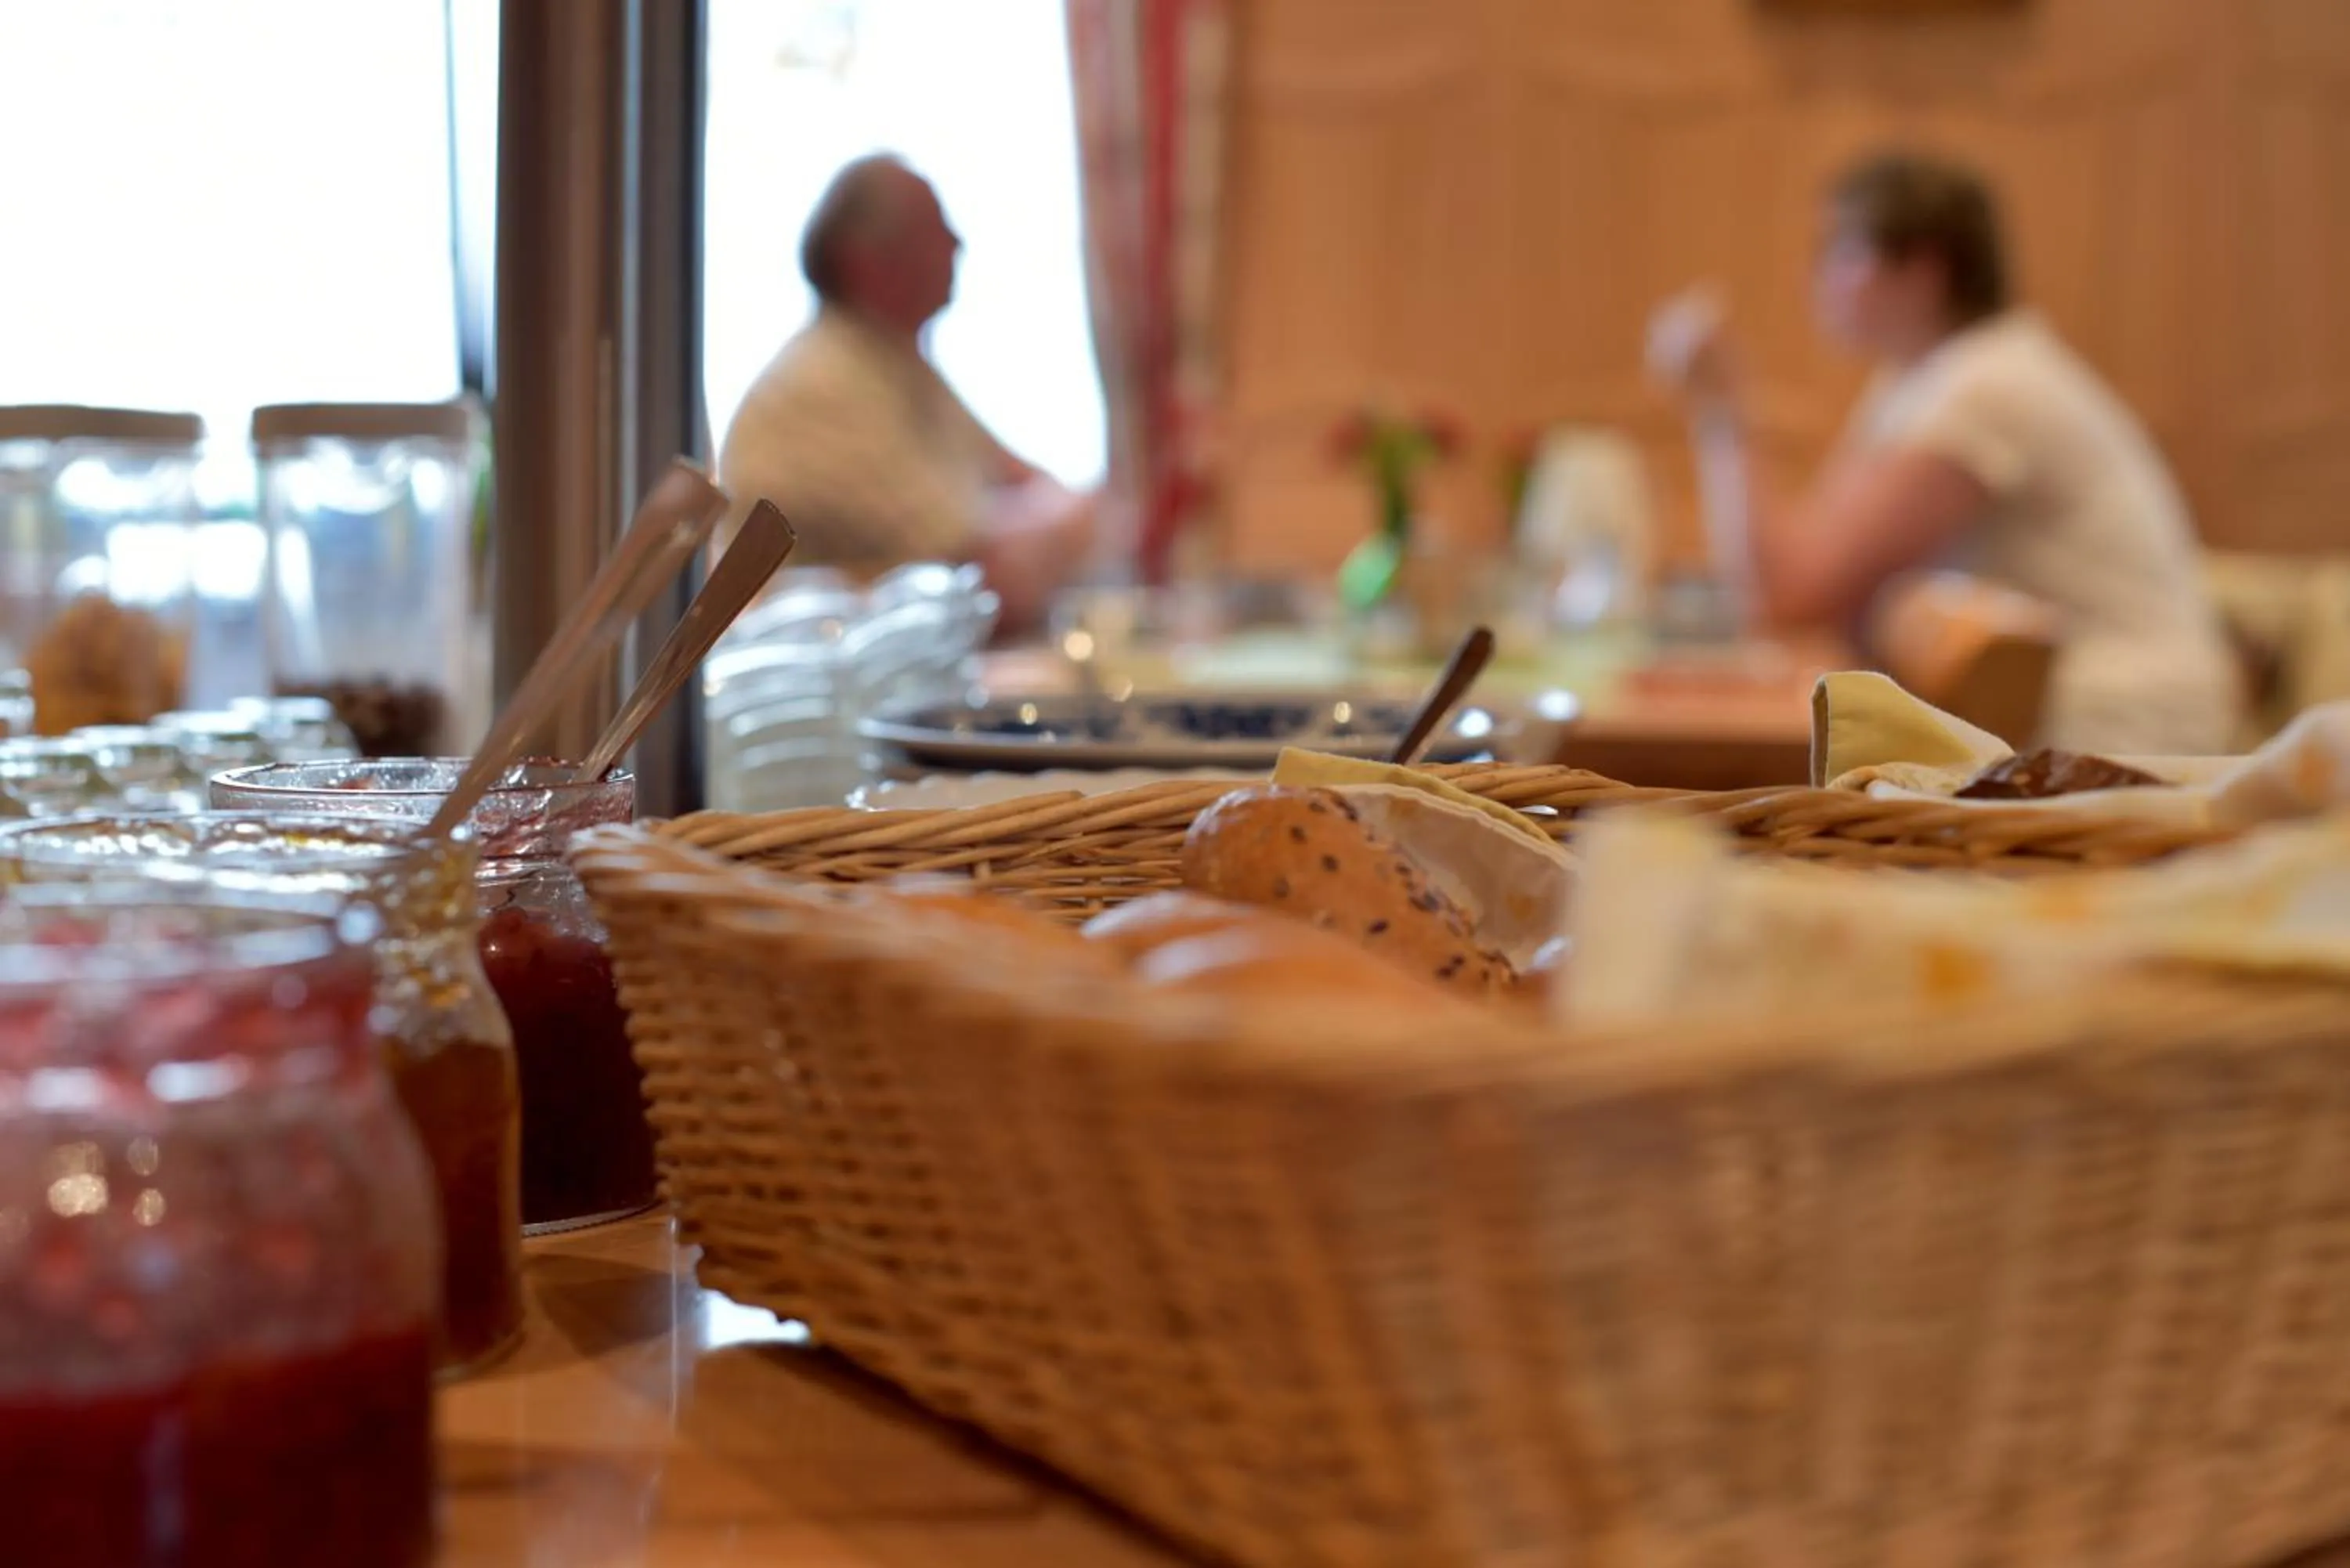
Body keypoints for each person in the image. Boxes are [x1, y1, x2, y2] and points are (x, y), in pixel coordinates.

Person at [1649, 150, 2240, 755]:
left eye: (1844, 250)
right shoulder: (1922, 381)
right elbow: (1798, 566)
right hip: (2048, 715)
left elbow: (1789, 597)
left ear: (1923, 271)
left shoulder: (1987, 386)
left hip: (2127, 729)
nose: (1817, 275)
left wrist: (1722, 408)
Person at [716, 153, 1092, 630]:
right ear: (865, 262)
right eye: (933, 230)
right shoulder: (822, 383)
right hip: (814, 689)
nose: (958, 243)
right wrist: (1054, 528)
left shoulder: (899, 367)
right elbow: (992, 577)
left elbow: (1040, 493)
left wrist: (1049, 526)